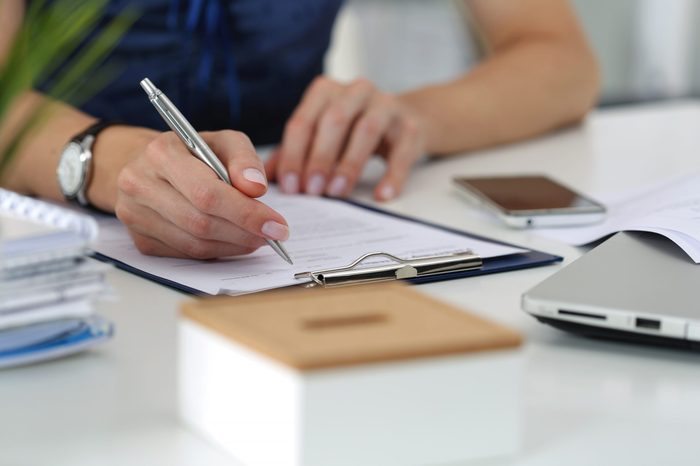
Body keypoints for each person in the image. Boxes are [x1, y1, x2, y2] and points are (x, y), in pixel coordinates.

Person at [0, 0, 599, 259]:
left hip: (295, 187)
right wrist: (99, 160)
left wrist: (411, 119)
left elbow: (562, 61)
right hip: (59, 227)